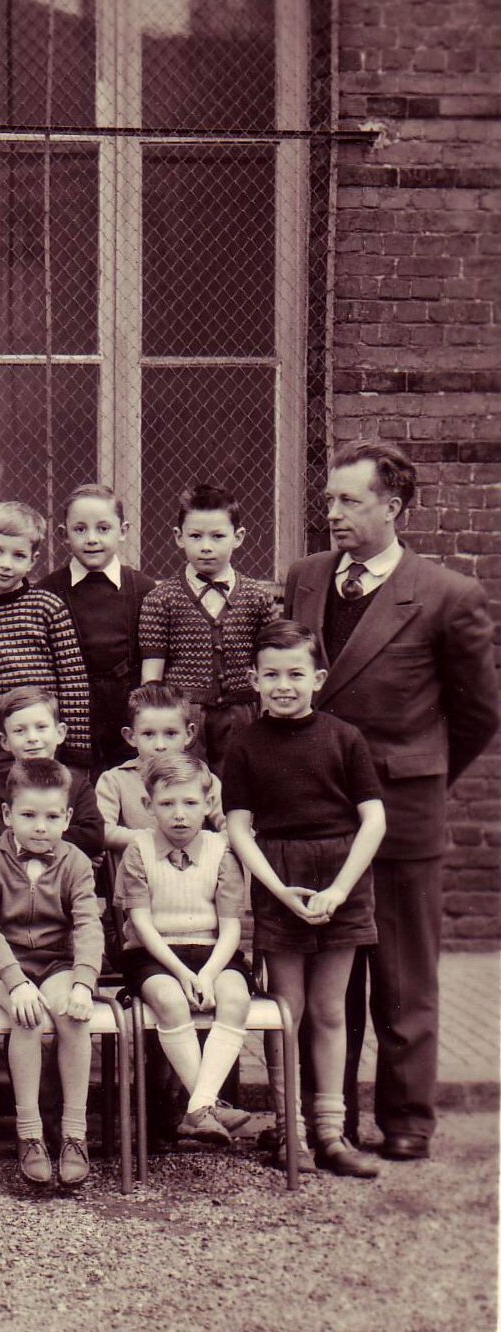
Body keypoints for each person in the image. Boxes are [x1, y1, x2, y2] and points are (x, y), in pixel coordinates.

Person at [282, 441, 499, 1161]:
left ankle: (407, 1119)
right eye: (329, 498)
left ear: (392, 507)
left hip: (403, 814)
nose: (333, 512)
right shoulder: (307, 578)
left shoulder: (446, 595)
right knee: (328, 976)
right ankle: (330, 1119)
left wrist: (418, 776)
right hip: (316, 815)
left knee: (403, 979)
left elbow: (477, 714)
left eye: (350, 500)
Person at [223, 619, 388, 1176]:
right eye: (271, 675)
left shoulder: (345, 737)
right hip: (281, 879)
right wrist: (278, 891)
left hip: (342, 877)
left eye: (296, 674)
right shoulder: (245, 744)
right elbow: (239, 828)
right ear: (254, 679)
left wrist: (340, 889)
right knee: (285, 1011)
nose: (284, 685)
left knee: (330, 1009)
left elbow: (374, 819)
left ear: (318, 678)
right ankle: (289, 1131)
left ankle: (331, 1133)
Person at [0, 758, 103, 1190]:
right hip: (4, 965)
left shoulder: (76, 861)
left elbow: (88, 925)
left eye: (51, 817)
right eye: (28, 815)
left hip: (57, 962)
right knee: (26, 1016)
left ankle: (74, 1133)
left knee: (71, 1014)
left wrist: (83, 981)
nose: (40, 827)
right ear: (8, 815)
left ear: (67, 817)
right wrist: (15, 982)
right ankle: (29, 1133)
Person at [113, 753, 253, 1145]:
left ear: (207, 804)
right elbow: (141, 923)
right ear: (148, 805)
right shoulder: (138, 849)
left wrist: (206, 974)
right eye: (167, 803)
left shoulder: (221, 850)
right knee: (171, 1000)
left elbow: (230, 927)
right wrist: (182, 973)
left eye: (190, 803)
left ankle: (198, 1107)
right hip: (154, 954)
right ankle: (207, 1105)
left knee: (236, 998)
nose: (179, 814)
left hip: (213, 953)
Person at [138, 482, 278, 768]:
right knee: (184, 781)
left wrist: (268, 714)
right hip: (184, 716)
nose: (206, 547)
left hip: (242, 712)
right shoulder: (161, 598)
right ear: (179, 537)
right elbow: (152, 676)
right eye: (195, 536)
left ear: (238, 537)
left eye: (217, 536)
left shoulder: (258, 597)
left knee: (238, 780)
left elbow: (271, 662)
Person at [0, 500, 92, 802]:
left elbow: (73, 681)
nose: (6, 564)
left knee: (46, 800)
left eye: (18, 555)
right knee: (2, 800)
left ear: (33, 560)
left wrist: (76, 752)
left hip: (42, 734)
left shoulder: (47, 607)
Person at [37, 484, 156, 774]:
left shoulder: (142, 588)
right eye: (80, 529)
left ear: (123, 531)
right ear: (64, 534)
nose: (92, 539)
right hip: (71, 709)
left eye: (103, 529)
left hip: (126, 708)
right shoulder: (47, 591)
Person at [0, 686, 104, 862]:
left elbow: (92, 837)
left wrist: (27, 840)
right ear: (4, 741)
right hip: (14, 876)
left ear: (60, 733)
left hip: (68, 876)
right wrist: (69, 851)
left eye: (41, 727)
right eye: (19, 731)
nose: (32, 738)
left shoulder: (77, 784)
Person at [95, 683, 224, 854]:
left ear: (189, 734)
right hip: (139, 868)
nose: (160, 745)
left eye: (170, 734)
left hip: (194, 867)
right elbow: (102, 831)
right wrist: (157, 840)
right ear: (131, 736)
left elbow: (231, 827)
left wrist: (202, 842)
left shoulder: (202, 777)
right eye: (148, 734)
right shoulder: (115, 780)